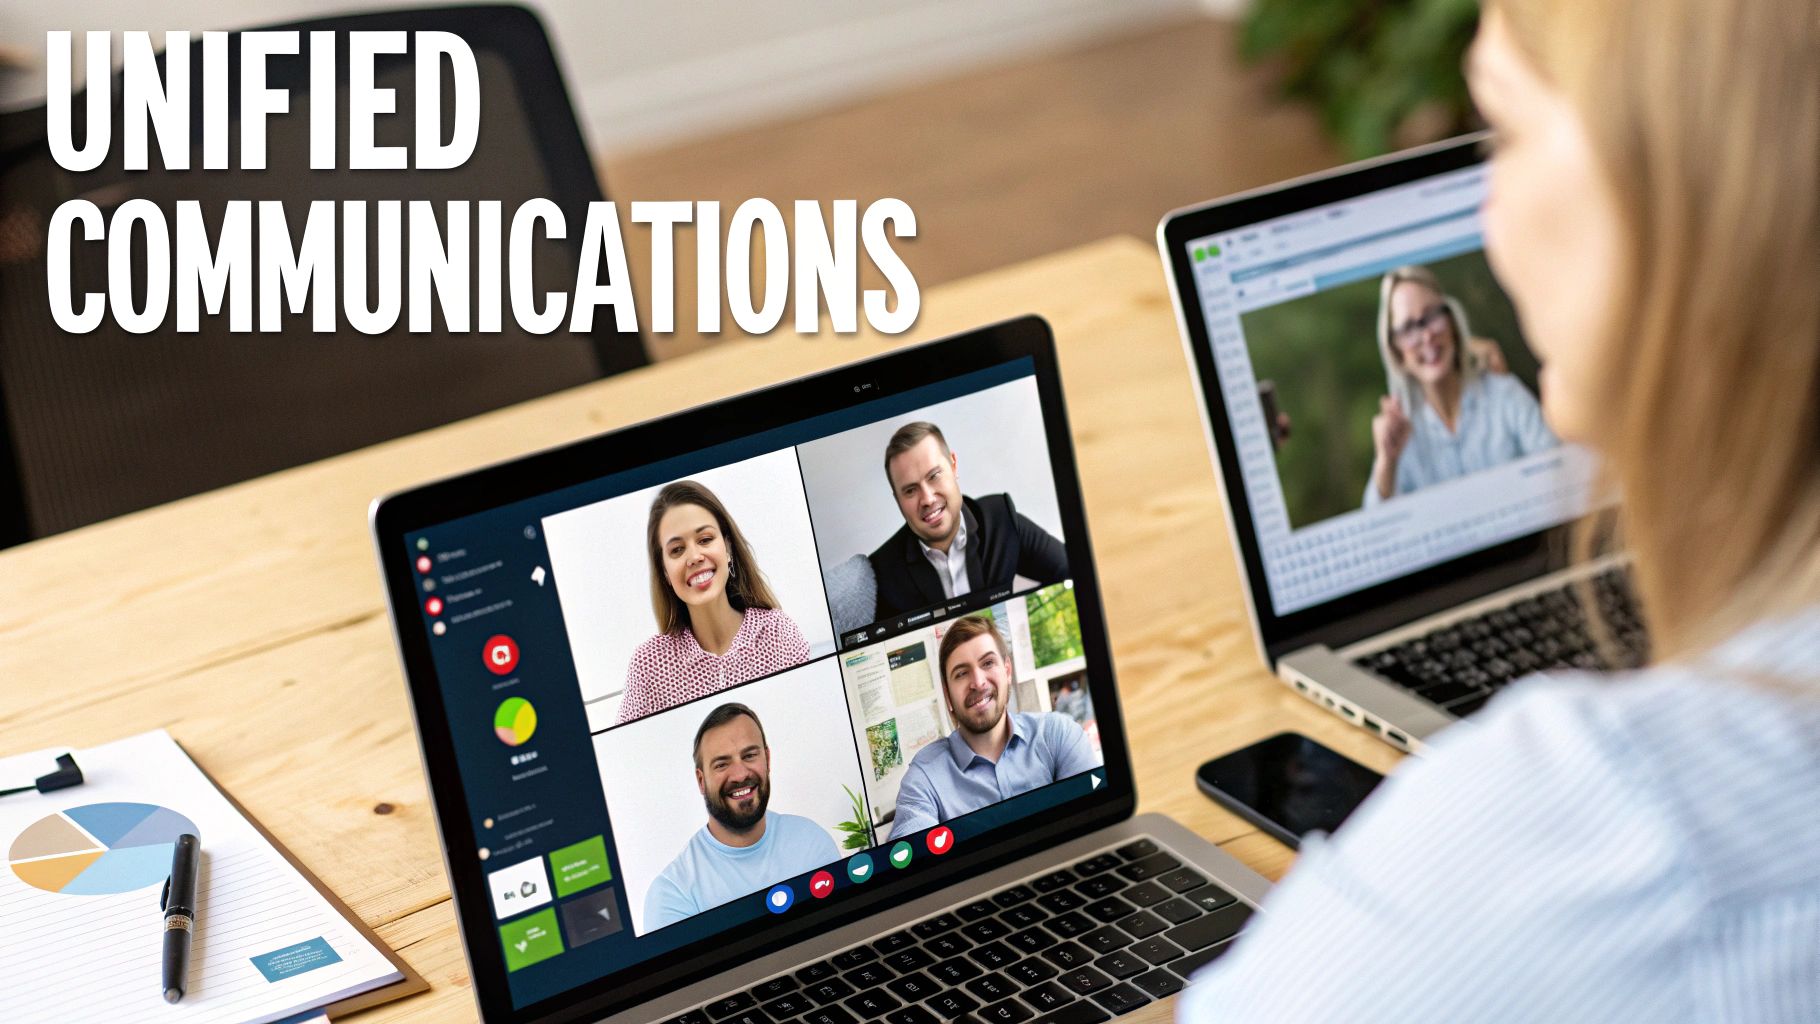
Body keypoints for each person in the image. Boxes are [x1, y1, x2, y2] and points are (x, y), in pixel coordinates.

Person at [1185, 3, 1820, 1021]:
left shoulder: (1581, 831)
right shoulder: (1401, 436)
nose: (1482, 211)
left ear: (1678, 187)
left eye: (1502, 129)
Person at [888, 616, 1100, 839]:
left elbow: (1096, 821)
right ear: (948, 695)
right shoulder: (924, 777)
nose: (978, 682)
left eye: (987, 663)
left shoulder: (1058, 734)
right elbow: (911, 858)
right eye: (961, 673)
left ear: (1007, 671)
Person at [1364, 264, 1558, 506]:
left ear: (1452, 323)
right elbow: (1378, 531)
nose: (1426, 336)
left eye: (1432, 316)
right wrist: (1386, 462)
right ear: (1397, 352)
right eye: (1409, 328)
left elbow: (1560, 468)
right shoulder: (1400, 435)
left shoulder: (1503, 393)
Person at [618, 481, 810, 725]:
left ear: (727, 546)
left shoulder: (778, 632)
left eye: (705, 539)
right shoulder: (648, 666)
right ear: (664, 571)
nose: (695, 557)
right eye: (677, 550)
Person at [643, 703, 839, 931]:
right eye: (722, 764)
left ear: (767, 759)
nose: (740, 774)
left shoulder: (812, 842)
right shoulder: (672, 895)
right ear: (701, 781)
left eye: (749, 755)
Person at [868, 422, 1068, 619]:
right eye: (910, 490)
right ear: (897, 500)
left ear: (953, 465)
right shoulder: (882, 572)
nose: (927, 499)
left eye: (934, 476)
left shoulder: (1001, 519)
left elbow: (1073, 570)